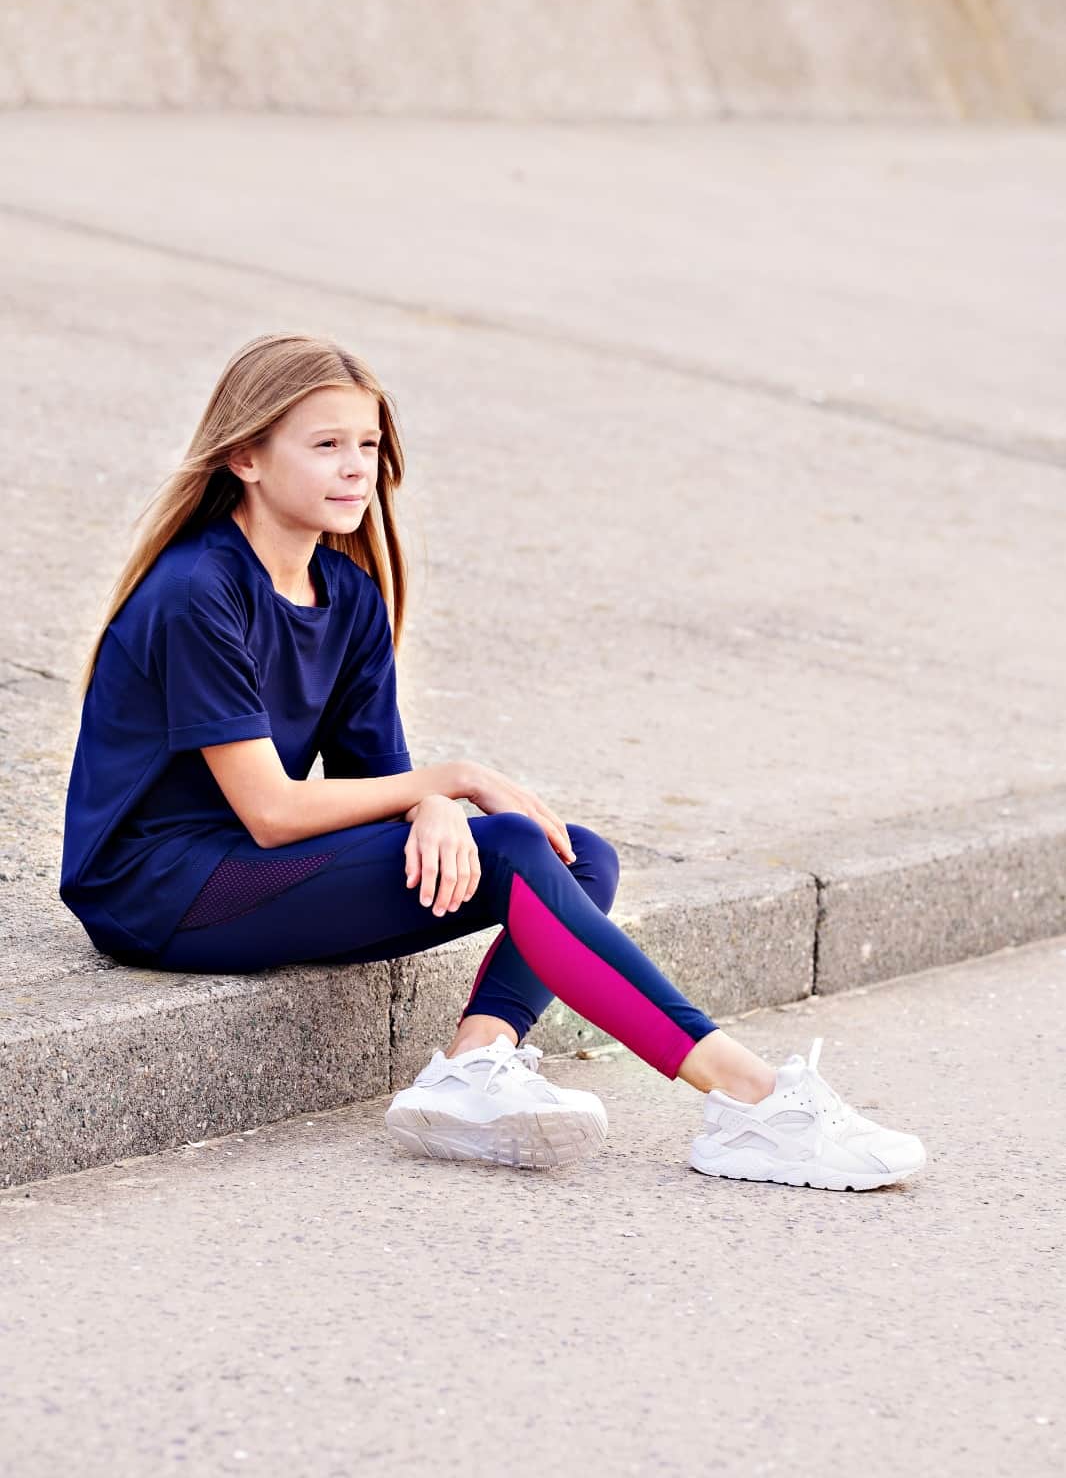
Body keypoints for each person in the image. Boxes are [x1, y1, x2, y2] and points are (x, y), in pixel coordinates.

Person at [59, 331, 926, 1191]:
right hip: (159, 889)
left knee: (575, 853)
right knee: (510, 845)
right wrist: (454, 781)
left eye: (368, 444)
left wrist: (432, 805)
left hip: (254, 868)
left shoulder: (348, 594)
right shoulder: (198, 590)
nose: (356, 468)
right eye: (325, 446)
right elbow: (272, 810)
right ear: (245, 457)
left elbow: (378, 774)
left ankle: (474, 1067)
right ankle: (753, 1096)